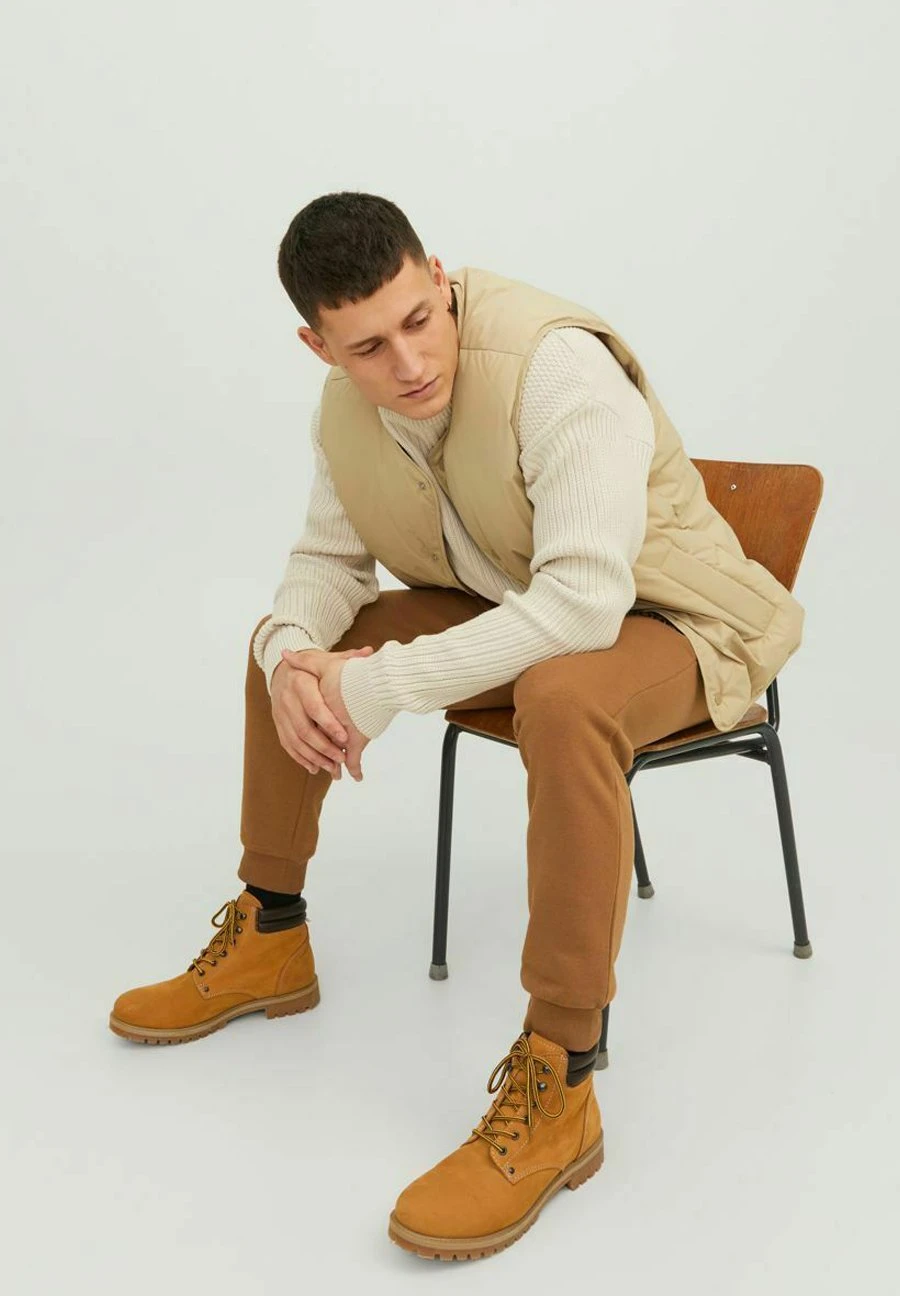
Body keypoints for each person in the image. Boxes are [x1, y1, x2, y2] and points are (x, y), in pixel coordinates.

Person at [109, 191, 804, 1261]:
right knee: (294, 654)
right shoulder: (347, 408)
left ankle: (563, 1077)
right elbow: (327, 565)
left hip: (680, 620)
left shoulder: (557, 369)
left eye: (418, 320)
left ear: (438, 276)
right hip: (514, 602)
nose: (409, 365)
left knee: (562, 699)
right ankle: (271, 933)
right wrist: (291, 656)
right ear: (318, 347)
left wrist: (381, 690)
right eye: (367, 348)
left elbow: (583, 606)